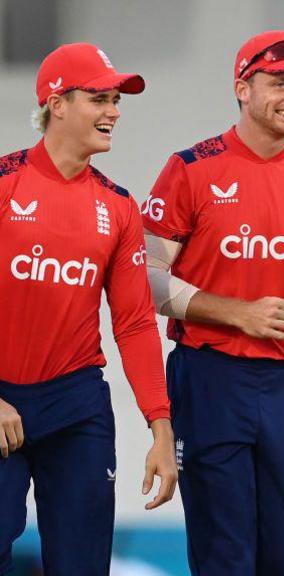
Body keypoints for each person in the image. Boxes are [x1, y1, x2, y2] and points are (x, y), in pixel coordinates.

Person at [140, 30, 284, 574]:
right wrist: (234, 311)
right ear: (242, 88)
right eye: (280, 83)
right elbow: (143, 278)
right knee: (225, 556)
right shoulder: (192, 168)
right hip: (209, 378)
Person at [0, 43, 177, 575]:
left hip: (76, 404)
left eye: (116, 100)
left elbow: (136, 322)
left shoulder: (119, 206)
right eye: (100, 98)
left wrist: (161, 429)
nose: (114, 111)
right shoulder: (5, 183)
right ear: (56, 103)